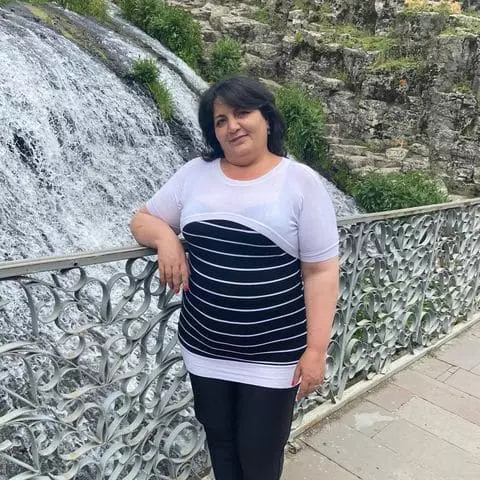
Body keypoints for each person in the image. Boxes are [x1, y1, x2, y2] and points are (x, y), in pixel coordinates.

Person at [130, 75, 339, 480]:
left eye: (242, 113)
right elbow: (142, 219)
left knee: (259, 457)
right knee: (222, 450)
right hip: (204, 347)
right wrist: (166, 238)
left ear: (267, 119)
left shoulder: (300, 182)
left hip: (273, 354)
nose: (232, 126)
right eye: (221, 120)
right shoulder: (195, 174)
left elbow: (321, 271)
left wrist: (316, 350)